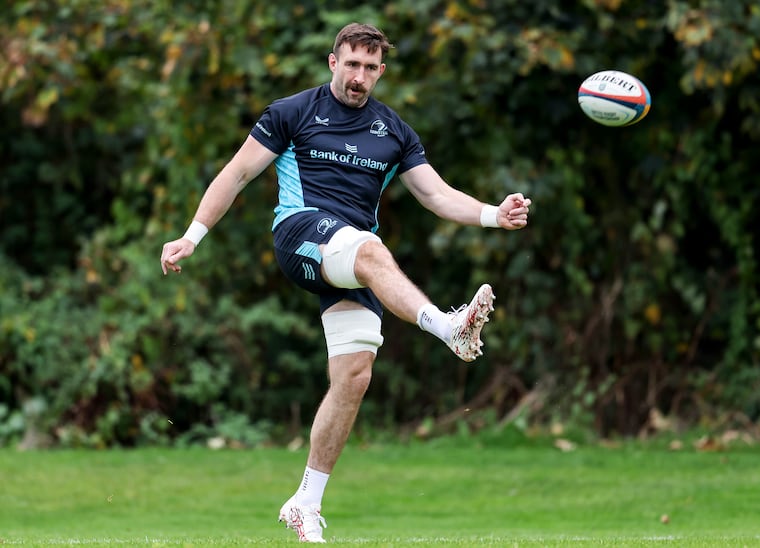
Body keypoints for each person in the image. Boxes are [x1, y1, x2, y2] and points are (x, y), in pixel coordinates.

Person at [160, 22, 532, 543]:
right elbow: (237, 173)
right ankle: (448, 328)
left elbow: (436, 195)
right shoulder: (292, 112)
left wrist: (496, 214)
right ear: (333, 61)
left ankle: (305, 503)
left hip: (353, 256)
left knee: (355, 374)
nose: (359, 76)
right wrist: (192, 236)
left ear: (381, 71)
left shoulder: (394, 131)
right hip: (301, 235)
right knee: (372, 249)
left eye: (370, 68)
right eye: (351, 64)